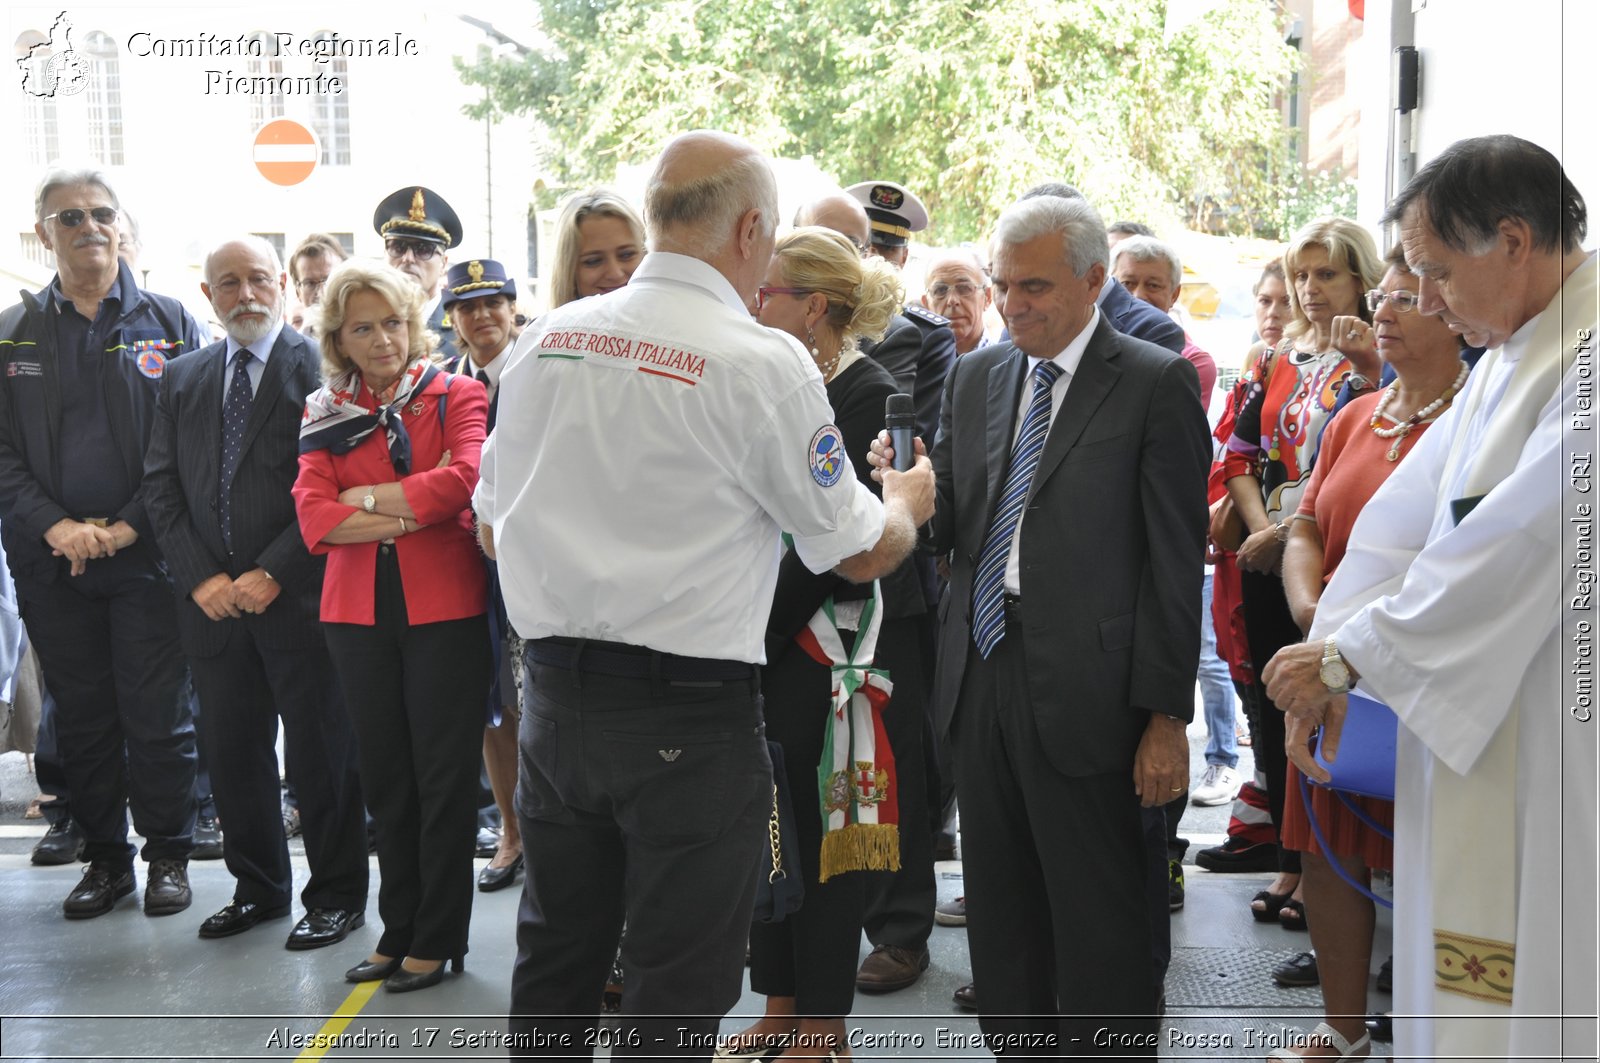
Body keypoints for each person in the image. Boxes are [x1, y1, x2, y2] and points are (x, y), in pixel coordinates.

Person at [477, 129, 934, 1059]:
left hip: (556, 705)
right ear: (752, 227)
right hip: (689, 721)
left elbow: (491, 523)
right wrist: (906, 508)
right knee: (676, 982)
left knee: (558, 958)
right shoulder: (760, 361)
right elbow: (852, 550)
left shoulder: (545, 342)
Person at [1266, 133, 1597, 1063]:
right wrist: (1326, 657)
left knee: (1546, 973)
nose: (1432, 302)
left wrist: (1350, 655)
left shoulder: (1590, 359)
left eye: (1441, 273)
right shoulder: (1503, 362)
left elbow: (1518, 542)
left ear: (1516, 240)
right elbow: (1399, 529)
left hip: (1564, 727)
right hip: (1481, 720)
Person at [871, 192, 1208, 1056]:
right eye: (1002, 284)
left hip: (1097, 697)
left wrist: (1167, 717)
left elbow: (1175, 566)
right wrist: (903, 491)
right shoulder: (982, 373)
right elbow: (951, 522)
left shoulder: (1152, 380)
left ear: (1094, 281)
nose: (1012, 303)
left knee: (1102, 924)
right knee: (1004, 918)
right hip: (979, 675)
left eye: (1034, 286)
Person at [1267, 246, 1472, 1060]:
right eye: (1380, 297)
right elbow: (1306, 520)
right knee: (1324, 841)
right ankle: (1343, 1030)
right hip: (1331, 665)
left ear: (1452, 314)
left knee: (1430, 853)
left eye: (1403, 299)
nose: (1381, 312)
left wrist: (1364, 640)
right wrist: (1315, 614)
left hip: (1422, 669)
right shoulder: (1355, 413)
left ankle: (1436, 1025)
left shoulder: (1477, 422)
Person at [142, 237, 369, 948]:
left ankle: (335, 895)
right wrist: (201, 575)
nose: (246, 294)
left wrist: (276, 569)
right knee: (235, 754)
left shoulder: (327, 372)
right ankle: (259, 888)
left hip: (301, 602)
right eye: (229, 283)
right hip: (213, 607)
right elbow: (160, 485)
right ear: (208, 296)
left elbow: (341, 487)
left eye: (259, 279)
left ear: (284, 287)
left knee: (321, 757)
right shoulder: (181, 378)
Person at [0, 167, 206, 921]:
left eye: (100, 213)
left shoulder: (172, 321)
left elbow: (190, 443)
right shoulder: (11, 331)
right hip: (51, 559)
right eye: (69, 217)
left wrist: (125, 526)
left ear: (122, 227)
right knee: (83, 715)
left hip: (145, 553)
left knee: (158, 713)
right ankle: (106, 860)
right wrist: (56, 524)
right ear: (43, 233)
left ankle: (169, 858)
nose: (88, 226)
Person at [735, 227, 921, 1057]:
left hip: (825, 650)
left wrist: (751, 629)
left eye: (766, 291)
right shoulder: (767, 380)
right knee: (774, 828)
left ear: (813, 308)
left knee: (829, 836)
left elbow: (835, 550)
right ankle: (778, 1006)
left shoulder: (866, 393)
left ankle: (823, 1020)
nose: (751, 301)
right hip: (765, 645)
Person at [292, 259, 490, 992]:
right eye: (363, 327)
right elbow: (313, 515)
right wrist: (410, 507)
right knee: (387, 781)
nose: (383, 339)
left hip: (446, 610)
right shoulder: (323, 409)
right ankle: (398, 926)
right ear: (340, 339)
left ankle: (437, 936)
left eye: (394, 321)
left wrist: (368, 501)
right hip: (356, 616)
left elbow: (466, 479)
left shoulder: (457, 393)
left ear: (414, 321)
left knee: (442, 782)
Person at [806, 183, 950, 995]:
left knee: (896, 755)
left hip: (890, 575)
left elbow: (913, 449)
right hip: (800, 583)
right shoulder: (769, 347)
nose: (846, 258)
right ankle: (822, 908)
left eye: (859, 243)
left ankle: (901, 926)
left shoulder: (917, 343)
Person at [1221, 217, 1382, 930]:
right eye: (1303, 275)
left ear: (1360, 279)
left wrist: (1287, 534)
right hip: (1268, 554)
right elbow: (1240, 453)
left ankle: (1339, 871)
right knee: (1272, 703)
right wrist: (1263, 533)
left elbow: (1360, 468)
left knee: (1334, 707)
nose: (1311, 290)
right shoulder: (1274, 356)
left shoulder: (1375, 355)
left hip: (1335, 556)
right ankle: (1294, 858)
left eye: (1329, 275)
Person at [438, 256, 526, 894]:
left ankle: (552, 838)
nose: (482, 316)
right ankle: (513, 834)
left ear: (513, 307)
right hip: (468, 572)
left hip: (537, 569)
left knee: (542, 706)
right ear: (453, 320)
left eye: (493, 302)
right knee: (492, 708)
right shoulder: (439, 387)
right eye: (467, 307)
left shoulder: (546, 371)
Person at [373, 187, 463, 360]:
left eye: (423, 250)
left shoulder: (462, 324)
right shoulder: (365, 321)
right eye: (397, 247)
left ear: (443, 263)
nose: (408, 258)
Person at [547, 188, 646, 309]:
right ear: (568, 273)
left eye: (626, 255)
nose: (615, 274)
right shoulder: (541, 327)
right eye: (593, 261)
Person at [920, 248, 994, 355]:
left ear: (987, 297)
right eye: (941, 290)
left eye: (964, 288)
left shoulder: (1009, 366)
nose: (952, 300)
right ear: (926, 304)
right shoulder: (914, 365)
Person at [288, 233, 348, 339]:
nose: (320, 293)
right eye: (310, 283)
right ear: (298, 292)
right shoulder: (292, 352)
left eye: (329, 280)